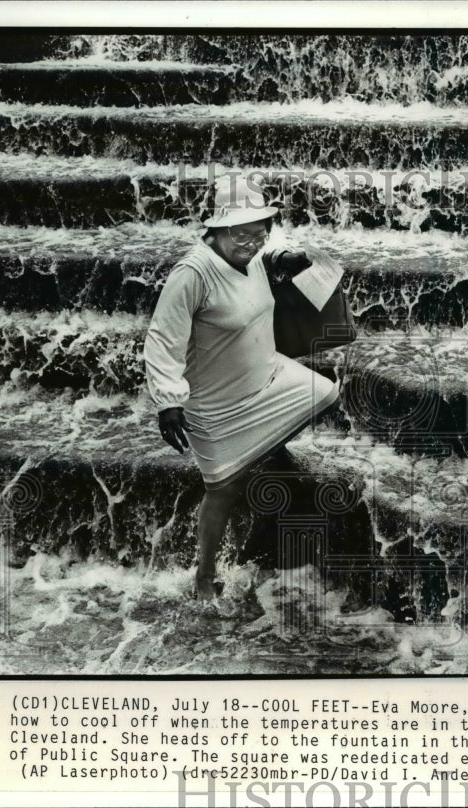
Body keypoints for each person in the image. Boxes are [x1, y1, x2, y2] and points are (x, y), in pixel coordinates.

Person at [144, 180, 341, 599]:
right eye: (241, 233)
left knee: (326, 393)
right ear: (215, 230)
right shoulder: (193, 274)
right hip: (215, 404)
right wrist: (168, 404)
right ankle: (204, 576)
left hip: (266, 378)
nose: (251, 242)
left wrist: (283, 253)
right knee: (224, 489)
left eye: (259, 231)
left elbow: (271, 246)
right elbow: (162, 339)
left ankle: (265, 446)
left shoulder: (254, 251)